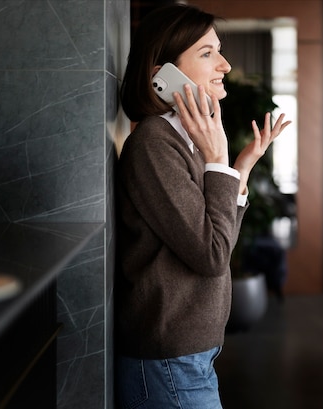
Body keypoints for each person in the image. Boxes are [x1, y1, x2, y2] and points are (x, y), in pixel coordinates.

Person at [115, 4, 291, 408]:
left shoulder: (182, 141)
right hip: (170, 358)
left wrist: (239, 169)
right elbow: (213, 256)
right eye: (207, 53)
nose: (225, 65)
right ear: (163, 74)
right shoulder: (156, 145)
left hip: (187, 354)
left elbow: (218, 239)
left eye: (219, 50)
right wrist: (217, 159)